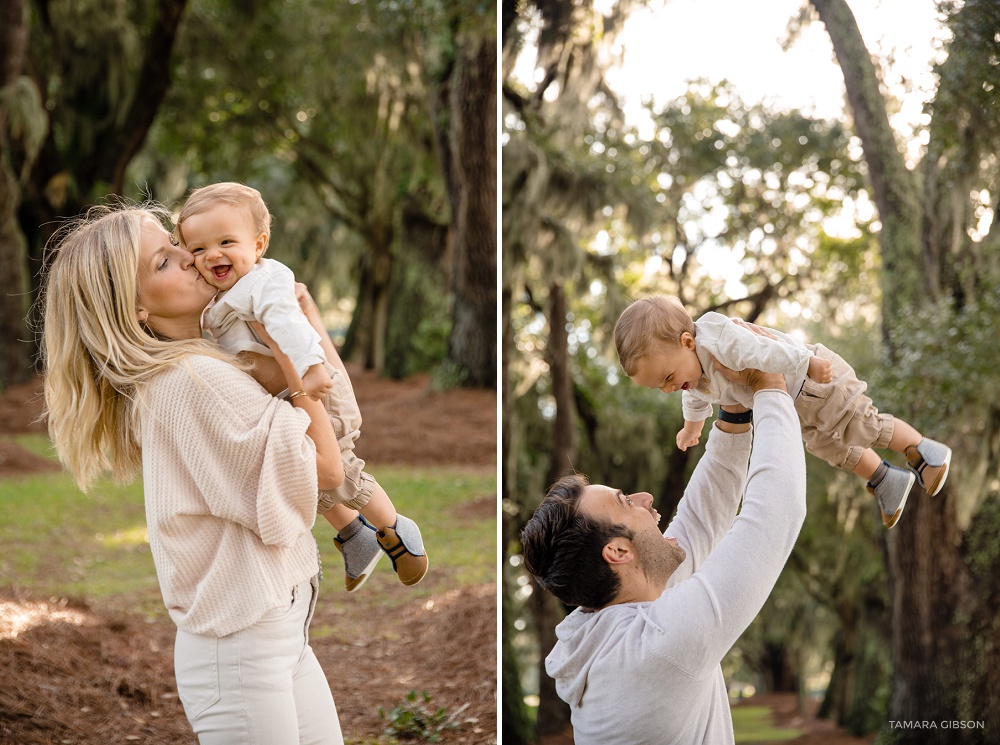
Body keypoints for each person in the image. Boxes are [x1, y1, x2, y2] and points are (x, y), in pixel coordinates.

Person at [41, 202, 346, 743]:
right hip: (241, 653)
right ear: (133, 308)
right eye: (163, 262)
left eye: (174, 245)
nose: (190, 258)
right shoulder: (194, 381)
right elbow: (324, 469)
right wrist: (294, 365)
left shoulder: (207, 362)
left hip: (275, 635)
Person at [521, 362, 806, 744]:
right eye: (625, 502)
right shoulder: (659, 647)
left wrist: (734, 411)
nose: (645, 499)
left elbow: (701, 518)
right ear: (619, 552)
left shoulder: (610, 625)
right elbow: (777, 511)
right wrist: (771, 385)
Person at [173, 182, 427, 590]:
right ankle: (356, 537)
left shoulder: (264, 281)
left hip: (318, 389)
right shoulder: (218, 298)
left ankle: (395, 528)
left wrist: (310, 368)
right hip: (290, 400)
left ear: (259, 244)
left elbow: (287, 324)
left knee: (340, 470)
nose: (212, 255)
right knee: (307, 476)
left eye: (225, 241)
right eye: (198, 250)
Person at [614, 296, 952, 528]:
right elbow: (696, 399)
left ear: (688, 342)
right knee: (828, 447)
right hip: (793, 402)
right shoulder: (692, 375)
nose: (670, 388)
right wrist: (691, 428)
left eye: (669, 378)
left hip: (813, 381)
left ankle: (925, 452)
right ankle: (886, 480)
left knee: (860, 426)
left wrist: (807, 364)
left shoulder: (719, 340)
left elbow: (764, 350)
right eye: (660, 386)